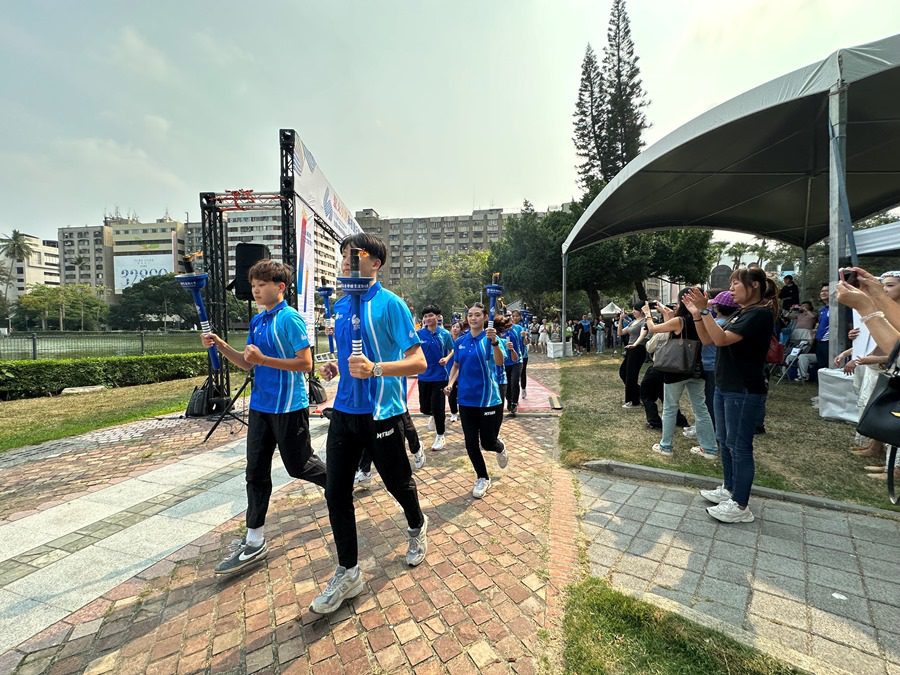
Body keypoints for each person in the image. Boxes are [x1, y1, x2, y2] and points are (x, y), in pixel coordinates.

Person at [313, 233, 428, 615]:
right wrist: (337, 368)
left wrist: (376, 368)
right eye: (343, 255)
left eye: (353, 255)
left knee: (397, 483)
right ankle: (348, 572)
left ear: (374, 263)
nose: (345, 261)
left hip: (382, 411)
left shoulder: (391, 305)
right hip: (345, 411)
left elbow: (418, 362)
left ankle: (416, 525)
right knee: (335, 492)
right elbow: (350, 360)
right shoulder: (344, 305)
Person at [201, 260, 327, 575]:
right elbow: (247, 364)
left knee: (299, 466)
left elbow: (306, 364)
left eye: (261, 285)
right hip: (261, 406)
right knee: (255, 472)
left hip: (289, 405)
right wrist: (220, 344)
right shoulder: (258, 321)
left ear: (280, 287)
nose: (255, 290)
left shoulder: (290, 319)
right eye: (253, 285)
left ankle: (337, 482)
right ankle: (254, 538)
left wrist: (264, 359)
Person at [684, 267, 776, 524]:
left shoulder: (759, 314)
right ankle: (729, 488)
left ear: (755, 285)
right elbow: (709, 340)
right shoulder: (741, 313)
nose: (731, 288)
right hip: (726, 385)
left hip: (744, 389)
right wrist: (697, 316)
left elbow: (722, 339)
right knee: (724, 440)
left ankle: (740, 504)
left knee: (739, 446)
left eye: (736, 283)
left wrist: (704, 310)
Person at [444, 303, 508, 499]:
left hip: (489, 400)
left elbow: (500, 362)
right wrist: (450, 383)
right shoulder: (461, 341)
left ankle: (499, 447)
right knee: (471, 443)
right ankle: (482, 477)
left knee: (487, 443)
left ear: (485, 317)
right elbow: (456, 365)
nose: (473, 318)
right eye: (470, 315)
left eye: (477, 315)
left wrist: (495, 342)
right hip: (466, 400)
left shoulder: (491, 339)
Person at [643, 291, 717, 459]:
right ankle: (710, 448)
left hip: (676, 369)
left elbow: (654, 329)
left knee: (670, 407)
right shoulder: (703, 319)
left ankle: (666, 446)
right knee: (701, 409)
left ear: (682, 302)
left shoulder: (679, 321)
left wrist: (648, 315)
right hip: (697, 369)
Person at [416, 304, 454, 450]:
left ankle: (440, 435)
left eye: (430, 315)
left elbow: (452, 350)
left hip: (440, 377)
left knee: (438, 407)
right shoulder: (419, 334)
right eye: (425, 316)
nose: (427, 318)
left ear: (437, 317)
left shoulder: (444, 334)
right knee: (425, 408)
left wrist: (447, 358)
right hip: (424, 376)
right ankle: (432, 413)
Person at [618, 303, 647, 409]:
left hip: (638, 349)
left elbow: (643, 335)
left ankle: (633, 401)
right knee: (623, 372)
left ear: (641, 311)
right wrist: (621, 320)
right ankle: (639, 393)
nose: (633, 312)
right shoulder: (633, 322)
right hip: (630, 349)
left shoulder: (645, 321)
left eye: (635, 310)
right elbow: (620, 333)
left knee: (631, 375)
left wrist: (635, 344)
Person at [500, 312, 524, 415]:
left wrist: (525, 337)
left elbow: (524, 342)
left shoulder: (517, 328)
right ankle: (509, 401)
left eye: (510, 317)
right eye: (506, 317)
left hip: (517, 360)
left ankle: (514, 403)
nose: (509, 318)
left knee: (514, 382)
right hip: (505, 362)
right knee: (508, 384)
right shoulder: (501, 331)